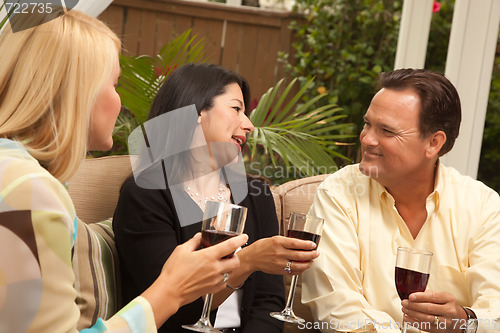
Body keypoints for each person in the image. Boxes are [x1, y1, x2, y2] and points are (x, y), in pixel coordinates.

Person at [0, 9, 247, 333]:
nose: (120, 101)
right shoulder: (29, 190)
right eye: (114, 84)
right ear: (79, 90)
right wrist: (171, 288)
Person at [113, 63, 320, 333]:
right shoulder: (145, 195)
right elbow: (171, 308)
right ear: (197, 112)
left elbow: (269, 304)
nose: (249, 125)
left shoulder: (256, 196)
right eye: (236, 109)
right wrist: (246, 262)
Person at [302, 68, 500, 333]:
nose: (367, 138)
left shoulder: (482, 206)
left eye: (387, 131)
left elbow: (495, 309)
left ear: (433, 143)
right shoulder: (339, 193)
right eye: (367, 123)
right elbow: (335, 309)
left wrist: (466, 322)